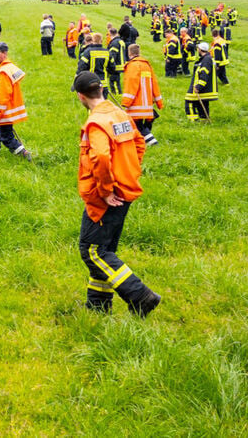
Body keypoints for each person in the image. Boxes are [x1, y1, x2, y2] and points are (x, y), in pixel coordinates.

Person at [72, 71, 160, 317]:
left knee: (92, 251)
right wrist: (128, 170)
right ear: (101, 89)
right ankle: (98, 305)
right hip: (126, 189)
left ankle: (141, 296)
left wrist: (107, 189)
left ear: (81, 96)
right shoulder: (120, 113)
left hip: (107, 196)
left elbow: (100, 157)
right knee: (105, 249)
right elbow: (139, 143)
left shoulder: (96, 122)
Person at [0, 42, 32, 160]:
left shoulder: (3, 71)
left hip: (4, 112)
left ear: (5, 53)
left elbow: (4, 95)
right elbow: (5, 91)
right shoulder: (7, 67)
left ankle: (24, 154)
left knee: (6, 138)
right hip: (7, 109)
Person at [120, 44, 163, 146]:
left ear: (129, 53)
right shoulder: (146, 65)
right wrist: (159, 102)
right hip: (147, 103)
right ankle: (141, 140)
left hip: (136, 103)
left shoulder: (132, 66)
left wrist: (126, 101)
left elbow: (131, 85)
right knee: (140, 124)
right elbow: (154, 84)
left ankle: (151, 142)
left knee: (136, 125)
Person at [185, 42, 218, 121]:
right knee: (202, 102)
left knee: (189, 100)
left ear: (200, 49)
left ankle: (193, 121)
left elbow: (204, 74)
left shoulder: (206, 60)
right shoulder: (207, 58)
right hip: (205, 87)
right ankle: (204, 119)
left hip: (201, 87)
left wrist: (198, 86)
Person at [76, 32, 110, 99]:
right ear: (101, 41)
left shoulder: (88, 52)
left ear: (92, 40)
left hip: (91, 82)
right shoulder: (107, 52)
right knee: (103, 103)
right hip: (104, 83)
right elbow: (112, 68)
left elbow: (81, 66)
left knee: (92, 103)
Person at [107, 27, 127, 94]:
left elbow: (112, 55)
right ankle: (118, 92)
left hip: (116, 65)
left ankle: (117, 93)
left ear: (110, 33)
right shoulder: (121, 41)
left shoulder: (114, 43)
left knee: (114, 81)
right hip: (122, 63)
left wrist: (110, 64)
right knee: (117, 80)